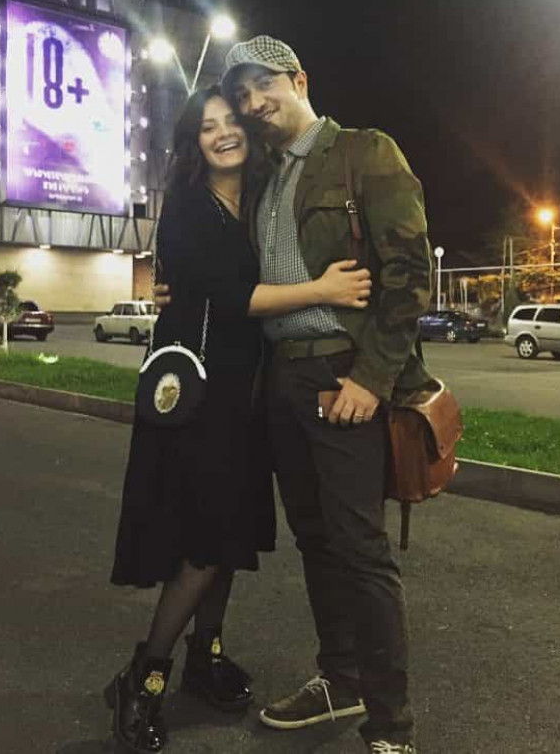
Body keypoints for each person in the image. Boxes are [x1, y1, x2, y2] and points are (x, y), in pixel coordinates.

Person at [106, 84, 372, 753]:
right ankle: (144, 677)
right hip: (198, 399)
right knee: (203, 543)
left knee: (227, 538)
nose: (222, 133)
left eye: (231, 122)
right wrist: (322, 290)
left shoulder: (258, 199)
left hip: (249, 395)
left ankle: (207, 655)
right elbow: (230, 297)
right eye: (207, 126)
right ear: (193, 141)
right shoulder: (188, 206)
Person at [220, 36, 433, 754]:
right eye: (242, 95)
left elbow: (409, 275)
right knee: (314, 540)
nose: (253, 103)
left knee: (360, 550)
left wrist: (372, 379)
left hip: (345, 372)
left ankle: (392, 726)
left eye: (263, 86)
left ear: (299, 80)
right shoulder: (263, 177)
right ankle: (340, 680)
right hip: (283, 378)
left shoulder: (364, 153)